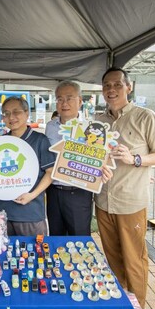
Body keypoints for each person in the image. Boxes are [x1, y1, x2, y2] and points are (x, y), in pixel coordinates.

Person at [94, 67, 155, 309]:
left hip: (131, 203)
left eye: (116, 84)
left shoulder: (145, 117)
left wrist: (134, 158)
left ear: (129, 87)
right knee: (112, 258)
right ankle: (119, 305)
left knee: (134, 260)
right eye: (106, 86)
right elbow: (92, 158)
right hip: (103, 202)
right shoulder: (98, 122)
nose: (111, 90)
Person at [45, 81, 104, 236]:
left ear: (80, 101)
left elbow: (98, 161)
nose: (64, 103)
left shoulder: (92, 129)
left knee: (80, 237)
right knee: (55, 237)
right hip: (53, 191)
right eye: (59, 99)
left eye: (69, 98)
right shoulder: (50, 126)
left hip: (79, 193)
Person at [0, 96, 55, 236]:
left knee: (33, 254)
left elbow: (50, 172)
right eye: (6, 113)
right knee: (6, 254)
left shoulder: (40, 140)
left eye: (16, 112)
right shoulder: (0, 143)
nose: (11, 117)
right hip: (4, 214)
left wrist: (32, 195)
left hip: (30, 214)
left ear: (27, 113)